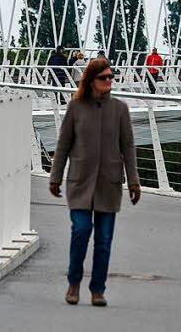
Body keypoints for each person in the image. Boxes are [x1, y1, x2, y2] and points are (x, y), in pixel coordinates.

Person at [49, 58, 141, 307]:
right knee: (80, 231)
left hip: (108, 185)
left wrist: (134, 181)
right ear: (91, 80)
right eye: (104, 77)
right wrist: (55, 177)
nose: (109, 81)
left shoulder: (120, 110)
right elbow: (63, 144)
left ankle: (98, 289)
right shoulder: (76, 108)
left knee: (104, 240)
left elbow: (128, 147)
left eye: (111, 77)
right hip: (80, 183)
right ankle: (74, 283)